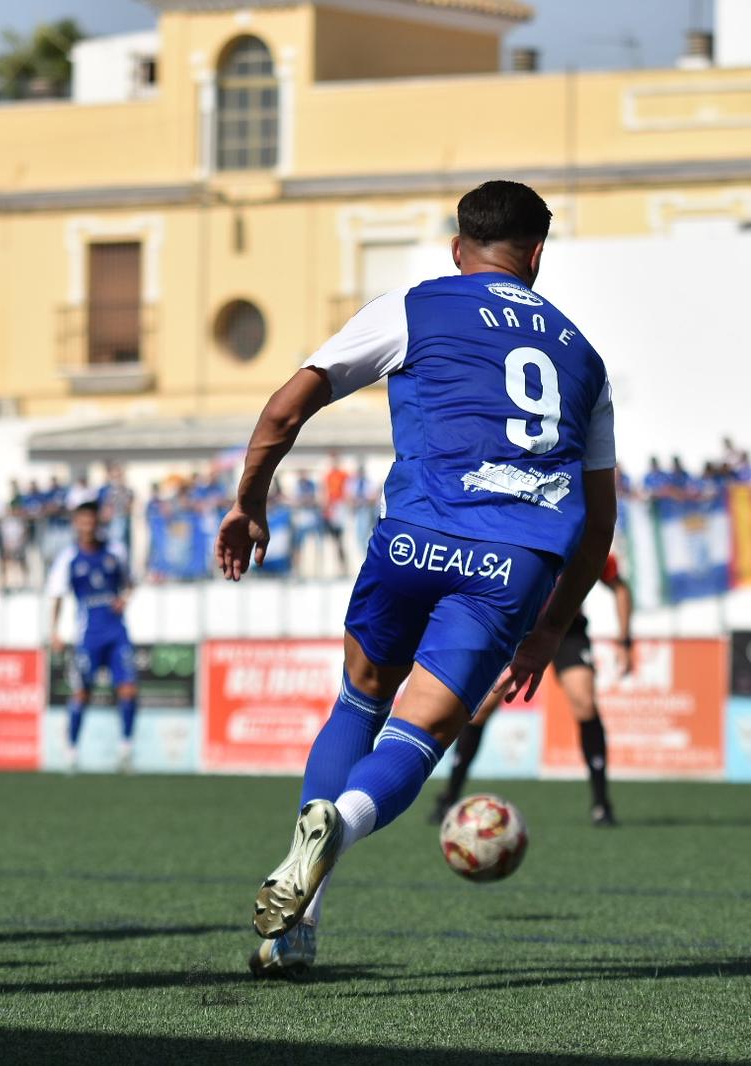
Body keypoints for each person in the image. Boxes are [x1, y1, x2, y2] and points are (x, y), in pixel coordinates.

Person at [216, 181, 614, 978]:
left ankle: (296, 927)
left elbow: (287, 408)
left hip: (415, 540)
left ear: (458, 248)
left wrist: (249, 503)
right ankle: (346, 822)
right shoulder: (583, 355)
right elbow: (599, 520)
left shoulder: (415, 305)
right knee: (419, 733)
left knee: (359, 700)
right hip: (512, 562)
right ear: (536, 255)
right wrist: (545, 629)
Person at [431, 553, 633, 827]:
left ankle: (601, 804)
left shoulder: (586, 539)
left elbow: (620, 588)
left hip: (565, 630)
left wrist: (624, 641)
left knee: (584, 702)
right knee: (481, 710)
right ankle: (449, 797)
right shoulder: (524, 533)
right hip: (516, 628)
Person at [48, 501, 139, 773]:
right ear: (76, 523)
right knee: (81, 693)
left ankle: (126, 750)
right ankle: (71, 752)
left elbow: (131, 580)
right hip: (88, 636)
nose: (88, 524)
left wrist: (125, 598)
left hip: (117, 632)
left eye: (92, 519)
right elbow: (56, 595)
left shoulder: (116, 551)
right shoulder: (68, 558)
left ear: (98, 522)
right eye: (83, 519)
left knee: (128, 688)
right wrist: (54, 631)